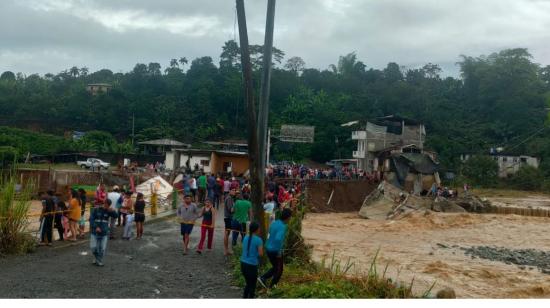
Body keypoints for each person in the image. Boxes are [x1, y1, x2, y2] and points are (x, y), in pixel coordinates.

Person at [259, 208, 292, 289]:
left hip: (268, 248)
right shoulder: (283, 227)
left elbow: (269, 234)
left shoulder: (274, 223)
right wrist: (279, 251)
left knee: (275, 267)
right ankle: (272, 287)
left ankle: (263, 278)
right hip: (275, 250)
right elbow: (278, 239)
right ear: (288, 217)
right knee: (279, 270)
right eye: (290, 217)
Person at [90, 199, 118, 266]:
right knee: (93, 248)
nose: (105, 206)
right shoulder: (96, 210)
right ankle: (96, 258)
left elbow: (116, 216)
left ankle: (99, 260)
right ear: (102, 203)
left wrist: (113, 211)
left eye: (107, 205)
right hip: (94, 232)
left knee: (102, 248)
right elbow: (91, 219)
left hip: (104, 233)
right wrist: (96, 227)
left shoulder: (109, 211)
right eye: (104, 204)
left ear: (109, 205)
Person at [240, 222, 263, 298]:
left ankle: (245, 297)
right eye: (259, 228)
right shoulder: (258, 240)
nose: (260, 229)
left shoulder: (246, 237)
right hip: (252, 265)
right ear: (256, 230)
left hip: (243, 264)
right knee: (252, 285)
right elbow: (260, 254)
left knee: (248, 283)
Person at [223, 188, 236, 256]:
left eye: (234, 190)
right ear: (230, 191)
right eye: (233, 190)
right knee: (227, 233)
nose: (234, 191)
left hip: (228, 217)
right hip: (228, 217)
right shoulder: (229, 198)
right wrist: (236, 206)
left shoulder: (230, 198)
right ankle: (226, 250)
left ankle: (226, 250)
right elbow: (231, 210)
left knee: (227, 233)